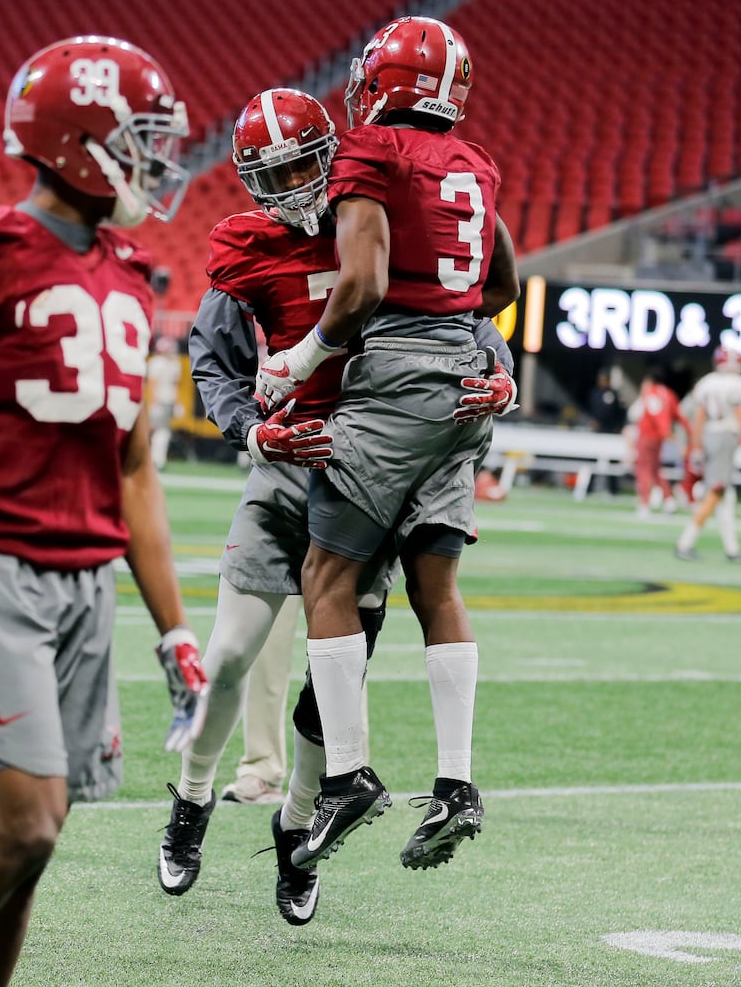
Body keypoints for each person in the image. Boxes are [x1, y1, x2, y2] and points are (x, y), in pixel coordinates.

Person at [0, 37, 215, 987]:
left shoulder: (132, 275)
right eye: (138, 139)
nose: (156, 161)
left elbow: (135, 470)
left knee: (34, 845)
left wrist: (177, 629)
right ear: (80, 141)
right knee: (24, 824)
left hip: (87, 580)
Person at [160, 88, 517, 921]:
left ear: (338, 149)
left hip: (371, 466)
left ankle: (297, 837)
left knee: (330, 696)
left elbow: (456, 312)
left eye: (302, 163)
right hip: (292, 469)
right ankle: (192, 800)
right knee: (227, 662)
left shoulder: (381, 210)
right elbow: (213, 363)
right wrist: (253, 432)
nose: (290, 184)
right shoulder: (247, 250)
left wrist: (499, 370)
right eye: (271, 171)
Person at [257, 15, 520, 873]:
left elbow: (363, 283)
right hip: (462, 383)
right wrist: (473, 353)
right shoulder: (476, 163)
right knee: (434, 583)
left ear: (384, 82)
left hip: (395, 374)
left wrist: (301, 357)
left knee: (326, 576)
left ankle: (345, 776)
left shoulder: (372, 150)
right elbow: (504, 283)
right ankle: (457, 783)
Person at [675, 348, 741, 562]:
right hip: (724, 437)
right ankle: (685, 542)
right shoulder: (740, 384)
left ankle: (732, 549)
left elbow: (699, 417)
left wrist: (696, 445)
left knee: (726, 497)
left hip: (708, 436)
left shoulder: (706, 382)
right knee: (717, 492)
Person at [629, 367, 693, 518]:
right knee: (656, 470)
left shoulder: (651, 394)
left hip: (648, 436)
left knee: (643, 469)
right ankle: (668, 500)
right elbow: (680, 416)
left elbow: (656, 415)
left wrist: (666, 432)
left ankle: (644, 503)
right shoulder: (669, 394)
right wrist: (689, 433)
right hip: (659, 439)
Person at [145, 336, 182, 469]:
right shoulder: (157, 363)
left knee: (164, 432)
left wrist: (177, 403)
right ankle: (156, 460)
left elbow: (175, 386)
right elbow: (152, 385)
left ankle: (158, 459)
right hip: (160, 401)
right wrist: (153, 403)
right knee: (159, 432)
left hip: (168, 400)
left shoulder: (173, 364)